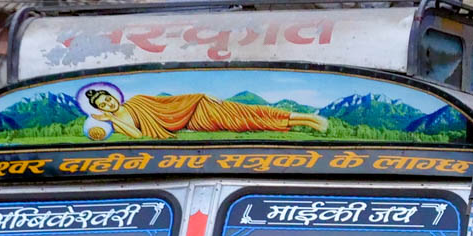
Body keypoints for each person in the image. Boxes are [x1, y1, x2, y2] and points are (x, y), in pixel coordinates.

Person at [84, 87, 328, 140]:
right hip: (196, 122)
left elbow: (171, 103)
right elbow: (137, 136)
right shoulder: (118, 121)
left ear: (114, 96)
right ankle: (304, 122)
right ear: (100, 109)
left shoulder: (138, 99)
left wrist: (199, 96)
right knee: (245, 123)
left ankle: (308, 119)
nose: (108, 104)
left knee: (250, 111)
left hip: (198, 107)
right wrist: (114, 119)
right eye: (103, 105)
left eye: (108, 99)